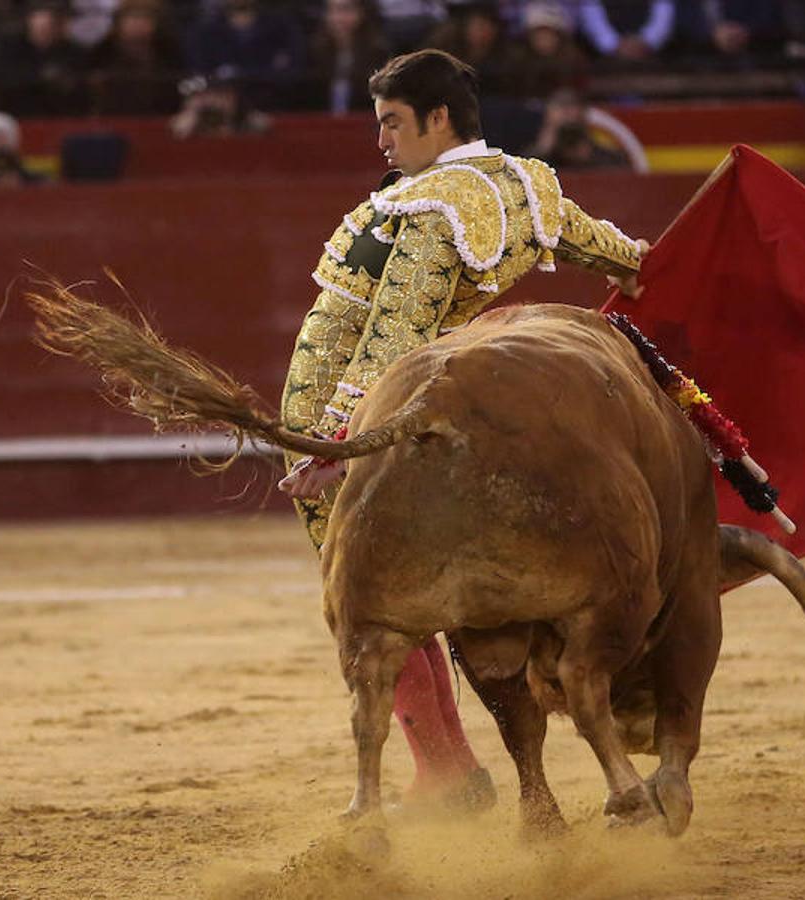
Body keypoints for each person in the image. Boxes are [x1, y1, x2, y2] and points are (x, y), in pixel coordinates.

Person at [277, 48, 647, 808]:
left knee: (372, 599)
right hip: (412, 418)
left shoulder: (432, 209)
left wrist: (335, 446)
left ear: (438, 118)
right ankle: (451, 763)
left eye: (392, 123)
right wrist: (642, 264)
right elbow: (617, 255)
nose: (382, 142)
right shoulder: (523, 184)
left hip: (361, 430)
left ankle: (444, 767)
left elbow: (393, 334)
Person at [0, 0, 88, 118]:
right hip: (14, 115)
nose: (61, 24)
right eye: (54, 18)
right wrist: (39, 77)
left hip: (59, 119)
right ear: (32, 18)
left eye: (64, 19)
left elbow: (81, 89)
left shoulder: (73, 51)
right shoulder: (9, 46)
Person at [86, 0, 182, 116]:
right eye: (132, 18)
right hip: (111, 118)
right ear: (118, 24)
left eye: (145, 18)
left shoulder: (168, 52)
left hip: (158, 117)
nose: (138, 24)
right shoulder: (102, 52)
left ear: (155, 24)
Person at [304, 0, 391, 114]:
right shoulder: (313, 53)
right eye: (332, 11)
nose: (337, 18)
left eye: (345, 10)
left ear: (362, 13)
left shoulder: (379, 54)